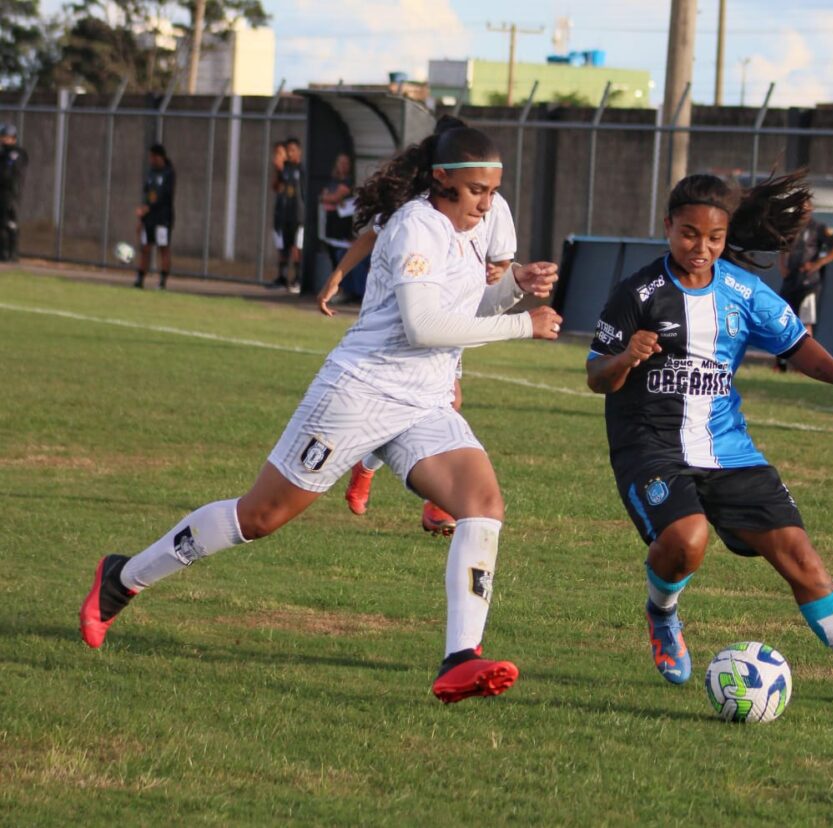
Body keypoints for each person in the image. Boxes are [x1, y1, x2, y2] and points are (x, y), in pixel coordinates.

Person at [80, 125, 564, 705]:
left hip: (423, 400)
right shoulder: (416, 225)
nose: (488, 205)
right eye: (477, 191)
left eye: (493, 191)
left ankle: (460, 658)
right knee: (257, 518)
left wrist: (513, 287)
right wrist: (522, 324)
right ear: (442, 180)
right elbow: (423, 326)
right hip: (359, 393)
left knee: (482, 505)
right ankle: (122, 577)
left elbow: (464, 309)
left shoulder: (467, 228)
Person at [585, 172, 833, 713]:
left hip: (728, 448)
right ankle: (662, 612)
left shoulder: (744, 290)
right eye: (687, 235)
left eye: (713, 238)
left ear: (726, 237)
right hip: (650, 444)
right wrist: (626, 358)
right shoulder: (637, 293)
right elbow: (596, 377)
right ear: (667, 227)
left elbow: (796, 344)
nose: (700, 248)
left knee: (802, 559)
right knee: (688, 541)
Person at [319, 115, 518, 536]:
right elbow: (372, 235)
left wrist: (507, 276)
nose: (483, 202)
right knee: (262, 513)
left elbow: (500, 262)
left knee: (445, 404)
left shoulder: (492, 205)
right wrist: (339, 274)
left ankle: (435, 503)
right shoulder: (415, 210)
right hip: (403, 330)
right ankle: (368, 468)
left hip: (455, 320)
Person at [774, 195, 833, 370]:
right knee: (781, 320)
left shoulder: (817, 228)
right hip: (790, 282)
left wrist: (817, 263)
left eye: (805, 208)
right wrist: (782, 265)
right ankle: (780, 363)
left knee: (805, 322)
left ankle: (807, 365)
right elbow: (782, 247)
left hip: (808, 284)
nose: (802, 212)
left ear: (811, 210)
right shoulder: (791, 227)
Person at [134, 144, 175, 289]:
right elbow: (147, 195)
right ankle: (139, 279)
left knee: (163, 248)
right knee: (145, 247)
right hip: (149, 219)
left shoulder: (168, 173)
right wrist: (142, 215)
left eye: (153, 156)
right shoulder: (150, 173)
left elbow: (164, 196)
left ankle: (162, 282)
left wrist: (148, 207)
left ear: (160, 156)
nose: (151, 159)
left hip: (162, 218)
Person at [272, 137, 305, 293]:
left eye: (292, 150)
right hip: (284, 216)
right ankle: (282, 278)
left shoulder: (302, 169)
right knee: (283, 248)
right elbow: (276, 187)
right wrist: (278, 170)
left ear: (299, 151)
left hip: (298, 216)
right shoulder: (284, 169)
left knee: (297, 248)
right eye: (288, 151)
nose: (290, 154)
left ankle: (298, 280)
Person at [319, 152, 355, 271]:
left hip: (342, 221)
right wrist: (327, 198)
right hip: (331, 218)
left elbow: (335, 198)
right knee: (331, 249)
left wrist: (328, 198)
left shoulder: (348, 181)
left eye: (346, 163)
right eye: (341, 163)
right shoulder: (332, 180)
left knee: (341, 251)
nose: (344, 166)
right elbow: (322, 196)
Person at [0, 123, 29, 262]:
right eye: (2, 137)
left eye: (7, 137)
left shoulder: (16, 154)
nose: (4, 140)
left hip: (10, 193)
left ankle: (11, 254)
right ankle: (4, 253)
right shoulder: (3, 153)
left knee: (9, 222)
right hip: (3, 192)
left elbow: (8, 173)